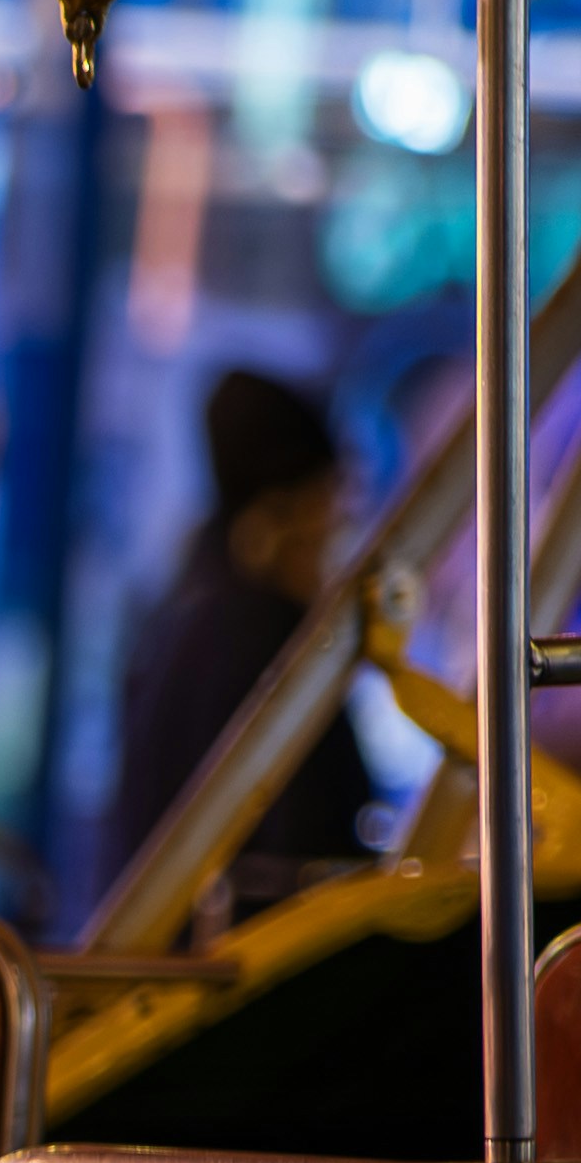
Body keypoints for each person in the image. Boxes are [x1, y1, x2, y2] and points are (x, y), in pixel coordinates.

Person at [102, 367, 373, 906]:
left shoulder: (181, 609)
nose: (336, 544)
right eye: (329, 510)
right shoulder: (264, 633)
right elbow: (308, 851)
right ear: (286, 517)